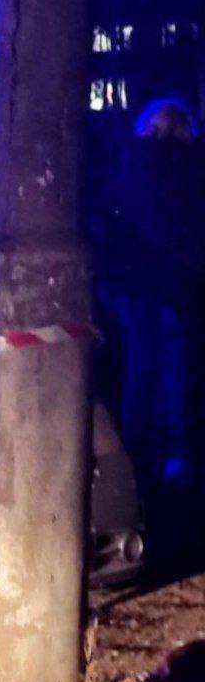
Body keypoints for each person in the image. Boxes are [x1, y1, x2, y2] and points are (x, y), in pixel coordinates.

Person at [99, 98, 205, 489]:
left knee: (142, 362)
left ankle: (136, 448)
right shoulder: (188, 167)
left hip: (136, 282)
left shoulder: (129, 163)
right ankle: (175, 450)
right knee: (175, 364)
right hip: (173, 282)